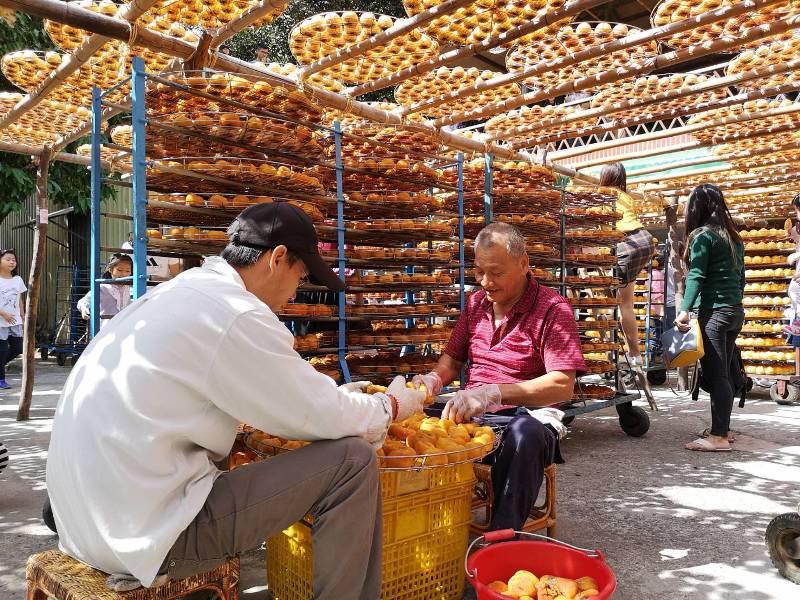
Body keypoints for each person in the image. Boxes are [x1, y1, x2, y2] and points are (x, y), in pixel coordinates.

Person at [47, 202, 425, 598]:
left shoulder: (181, 292)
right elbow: (323, 415)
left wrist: (329, 401)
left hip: (82, 522)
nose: (297, 291)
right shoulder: (235, 313)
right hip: (140, 538)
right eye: (300, 276)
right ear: (277, 259)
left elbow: (290, 400)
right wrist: (393, 405)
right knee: (352, 461)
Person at [412, 222, 585, 531]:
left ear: (523, 263)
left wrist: (494, 393)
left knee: (526, 435)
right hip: (469, 412)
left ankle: (501, 541)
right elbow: (452, 360)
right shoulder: (476, 303)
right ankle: (420, 526)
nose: (486, 282)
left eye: (496, 273)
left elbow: (563, 384)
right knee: (404, 415)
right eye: (479, 272)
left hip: (522, 415)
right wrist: (434, 380)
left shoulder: (553, 310)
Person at [675, 184, 745, 452]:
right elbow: (741, 279)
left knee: (717, 376)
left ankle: (718, 437)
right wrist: (732, 302)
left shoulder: (702, 236)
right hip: (733, 311)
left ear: (696, 207)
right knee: (724, 373)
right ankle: (723, 430)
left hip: (714, 314)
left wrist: (684, 310)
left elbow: (696, 276)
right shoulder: (733, 237)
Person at [599, 163, 657, 397]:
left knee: (613, 303)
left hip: (626, 245)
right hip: (643, 241)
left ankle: (625, 354)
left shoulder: (603, 194)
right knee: (626, 303)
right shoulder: (625, 195)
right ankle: (634, 354)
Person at [76, 253, 133, 328]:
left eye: (127, 271)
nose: (123, 274)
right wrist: (84, 309)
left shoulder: (129, 288)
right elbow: (83, 301)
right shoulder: (102, 288)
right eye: (119, 270)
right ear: (110, 270)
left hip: (124, 328)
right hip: (106, 329)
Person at [0, 249, 26, 390]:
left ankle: (0, 364)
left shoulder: (18, 280)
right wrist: (3, 314)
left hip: (15, 320)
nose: (12, 262)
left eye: (14, 260)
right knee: (2, 350)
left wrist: (22, 314)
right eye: (8, 259)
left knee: (18, 347)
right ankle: (1, 379)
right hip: (1, 321)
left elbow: (19, 299)